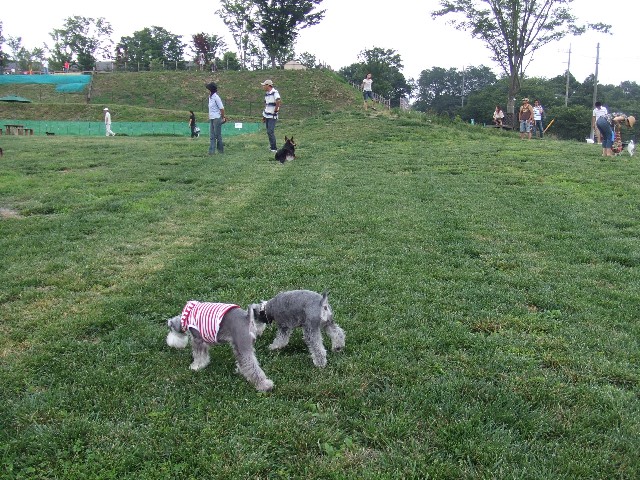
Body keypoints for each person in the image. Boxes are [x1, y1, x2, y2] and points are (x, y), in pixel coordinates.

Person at [261, 79, 281, 153]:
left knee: (270, 131)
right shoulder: (267, 94)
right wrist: (264, 116)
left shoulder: (275, 92)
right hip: (267, 115)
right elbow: (266, 105)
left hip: (272, 116)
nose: (263, 86)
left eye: (264, 85)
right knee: (268, 132)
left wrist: (276, 110)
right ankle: (272, 146)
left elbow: (278, 101)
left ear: (268, 85)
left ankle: (274, 148)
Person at [206, 82, 226, 155]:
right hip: (212, 118)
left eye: (208, 89)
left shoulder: (216, 97)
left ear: (211, 90)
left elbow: (222, 108)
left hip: (217, 118)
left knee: (217, 135)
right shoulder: (210, 97)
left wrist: (223, 117)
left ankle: (220, 151)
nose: (207, 90)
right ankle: (211, 152)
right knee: (212, 136)